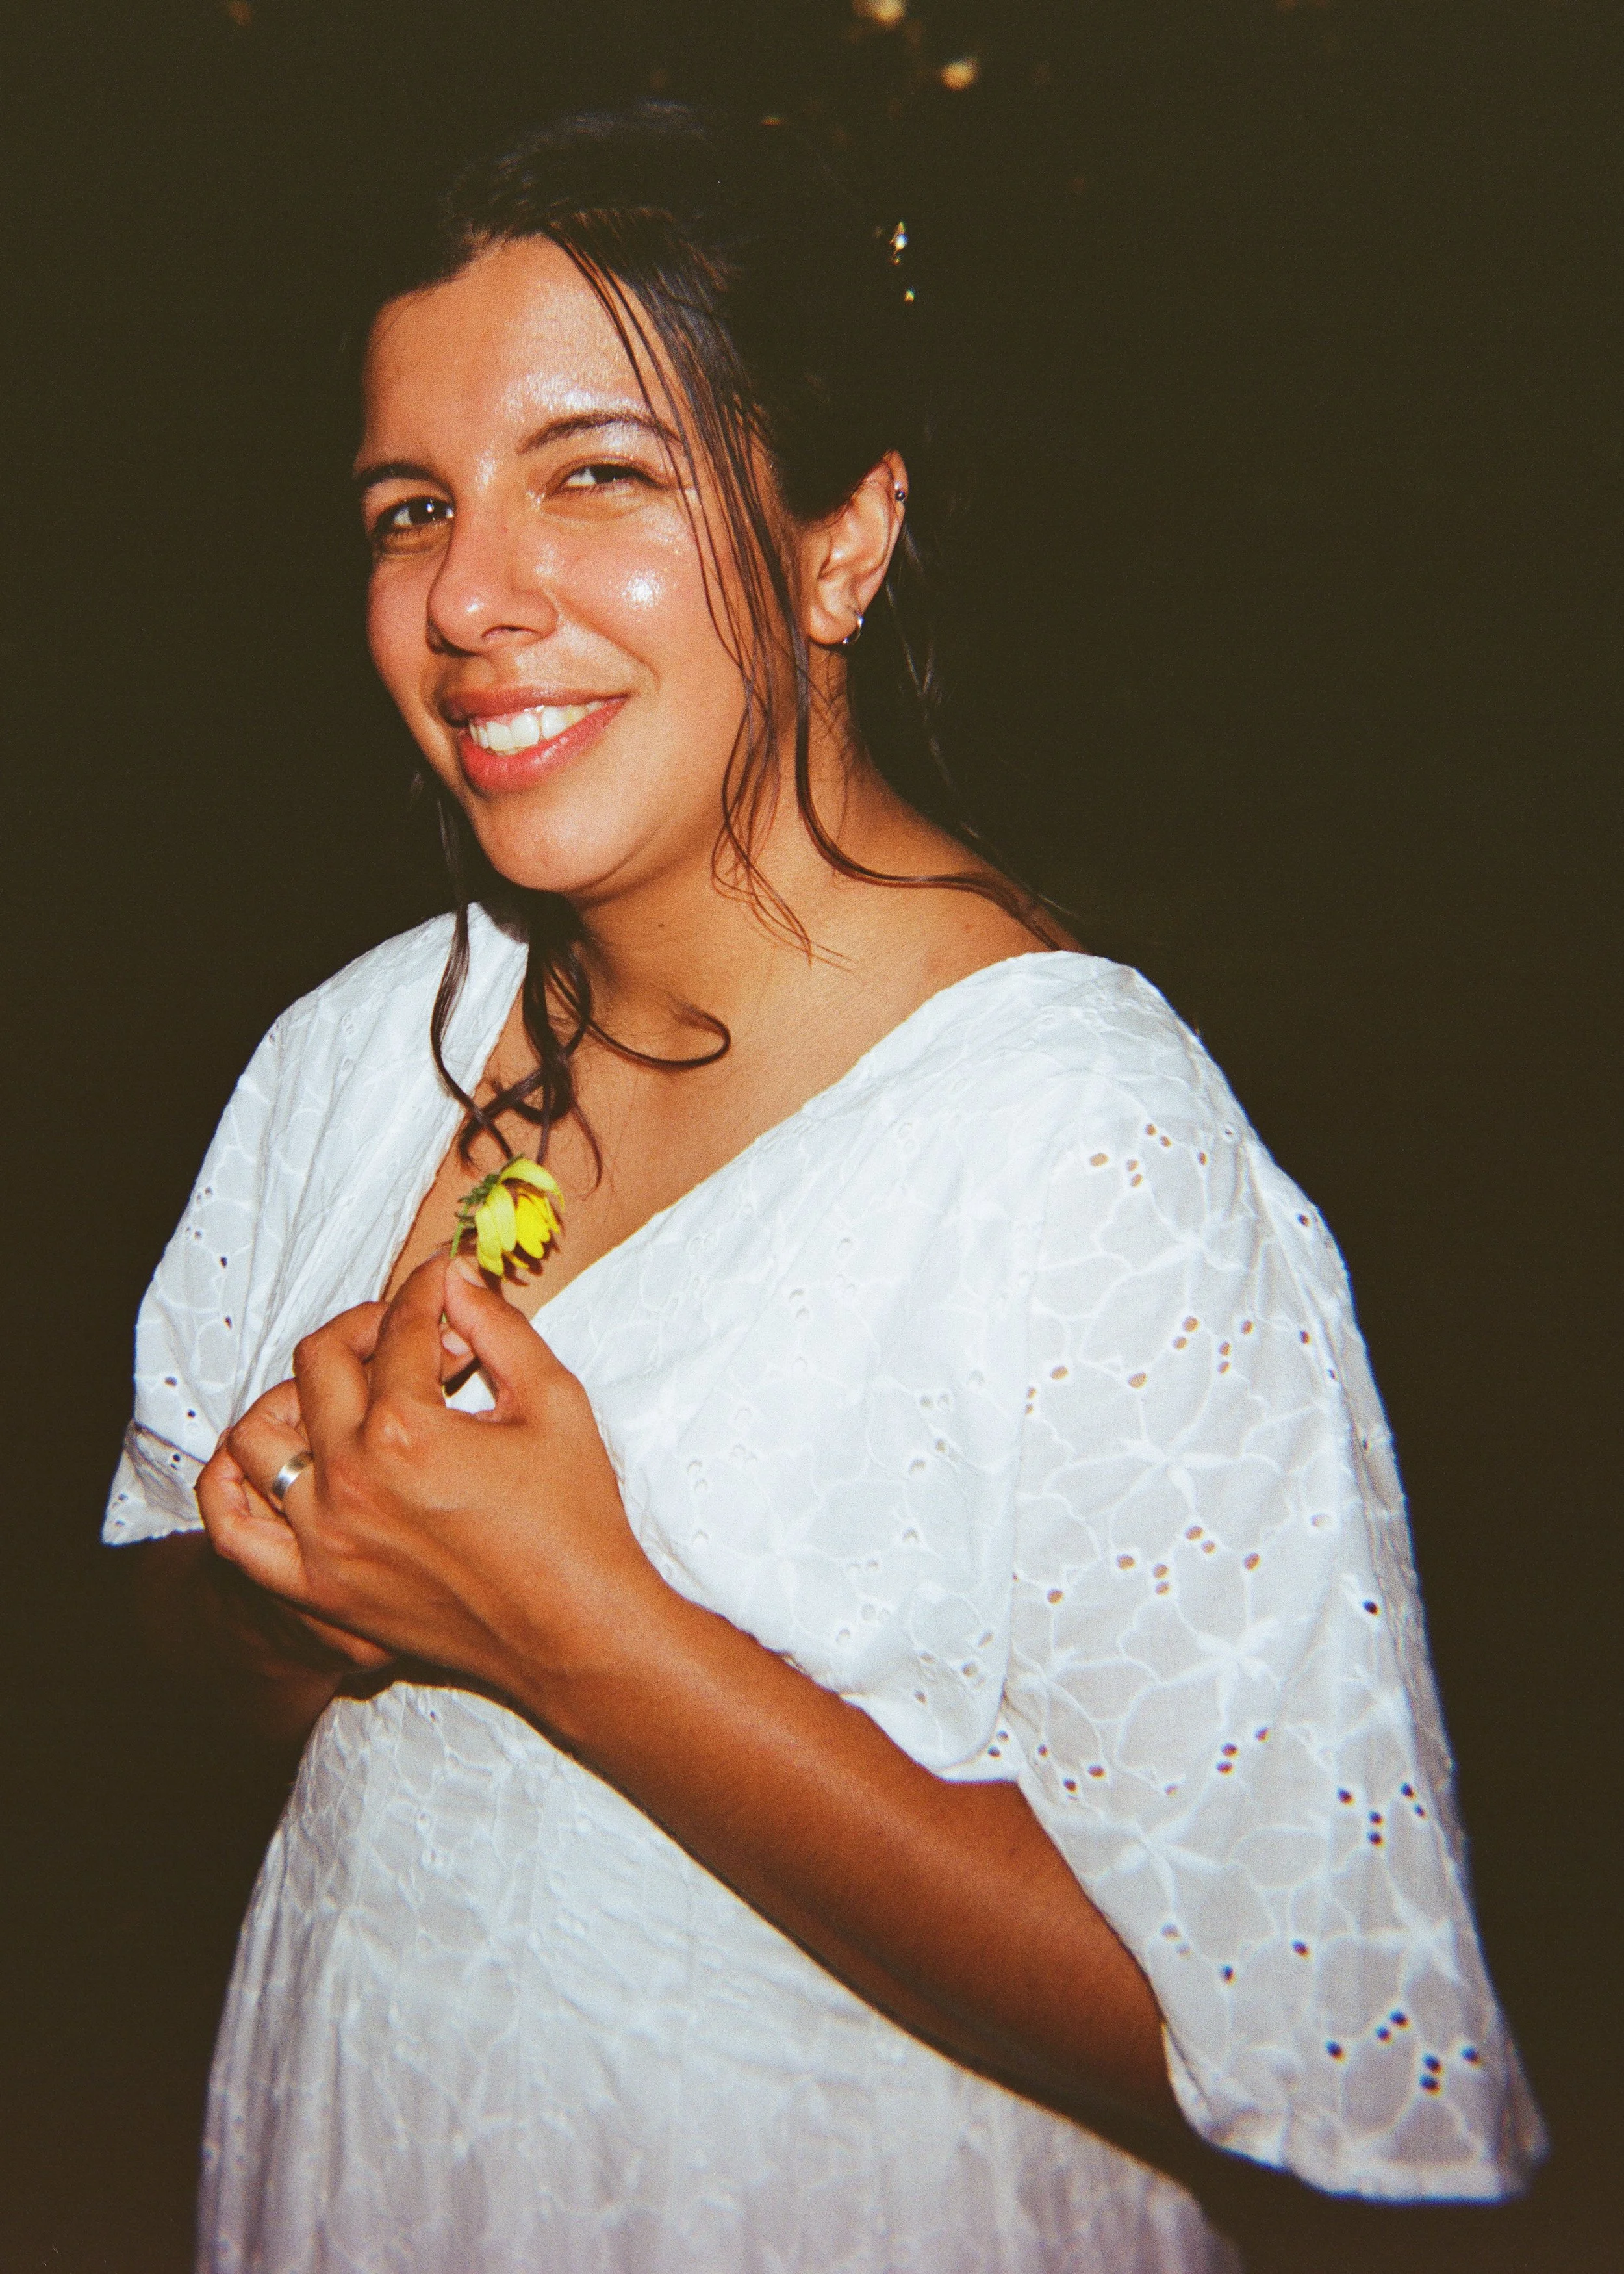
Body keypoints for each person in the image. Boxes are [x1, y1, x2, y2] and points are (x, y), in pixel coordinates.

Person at [108, 103, 1544, 2274]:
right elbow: (167, 1634)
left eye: (594, 471)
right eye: (413, 507)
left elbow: (1302, 2055)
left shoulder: (1073, 1138)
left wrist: (582, 1624)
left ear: (840, 539)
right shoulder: (356, 1050)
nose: (470, 597)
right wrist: (291, 1580)